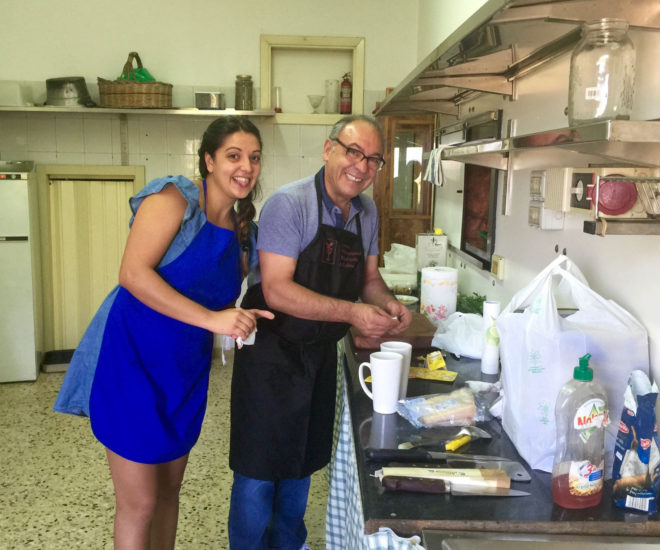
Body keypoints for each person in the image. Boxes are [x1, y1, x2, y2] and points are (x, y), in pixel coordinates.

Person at [53, 116, 274, 550]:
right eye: (233, 155)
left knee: (169, 495)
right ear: (209, 160)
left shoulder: (244, 233)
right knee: (140, 503)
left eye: (254, 158)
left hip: (183, 373)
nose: (245, 166)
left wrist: (235, 315)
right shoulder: (174, 198)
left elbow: (217, 296)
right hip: (131, 361)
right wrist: (214, 320)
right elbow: (133, 274)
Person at [228, 114, 412, 550]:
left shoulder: (366, 212)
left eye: (373, 159)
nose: (362, 166)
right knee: (258, 475)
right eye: (353, 152)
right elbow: (276, 290)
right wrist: (352, 313)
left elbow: (369, 278)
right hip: (270, 357)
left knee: (300, 466)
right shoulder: (288, 205)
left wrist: (386, 304)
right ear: (329, 149)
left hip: (318, 358)